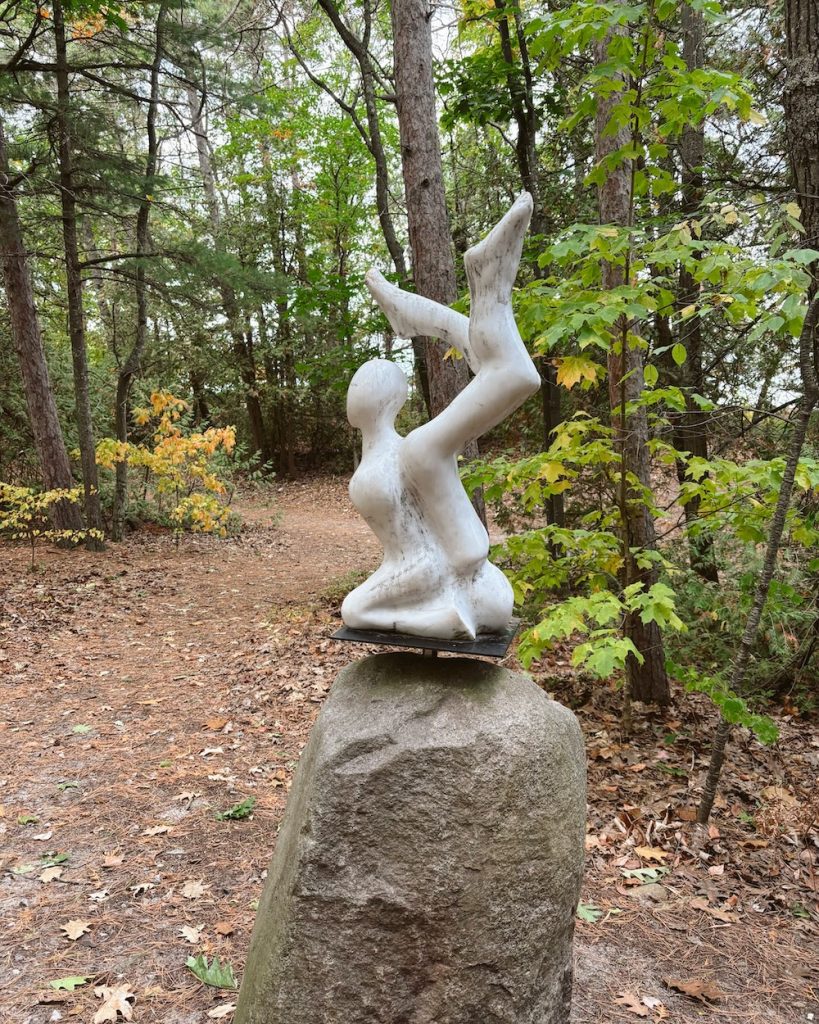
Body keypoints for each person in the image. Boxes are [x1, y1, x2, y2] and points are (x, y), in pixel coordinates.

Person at [342, 192, 540, 641]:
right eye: (360, 380)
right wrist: (424, 317)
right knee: (502, 380)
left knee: (432, 440)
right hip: (471, 590)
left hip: (460, 571)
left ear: (394, 399)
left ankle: (487, 288)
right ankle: (481, 291)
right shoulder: (386, 455)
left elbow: (425, 560)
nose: (358, 389)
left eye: (371, 380)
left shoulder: (406, 451)